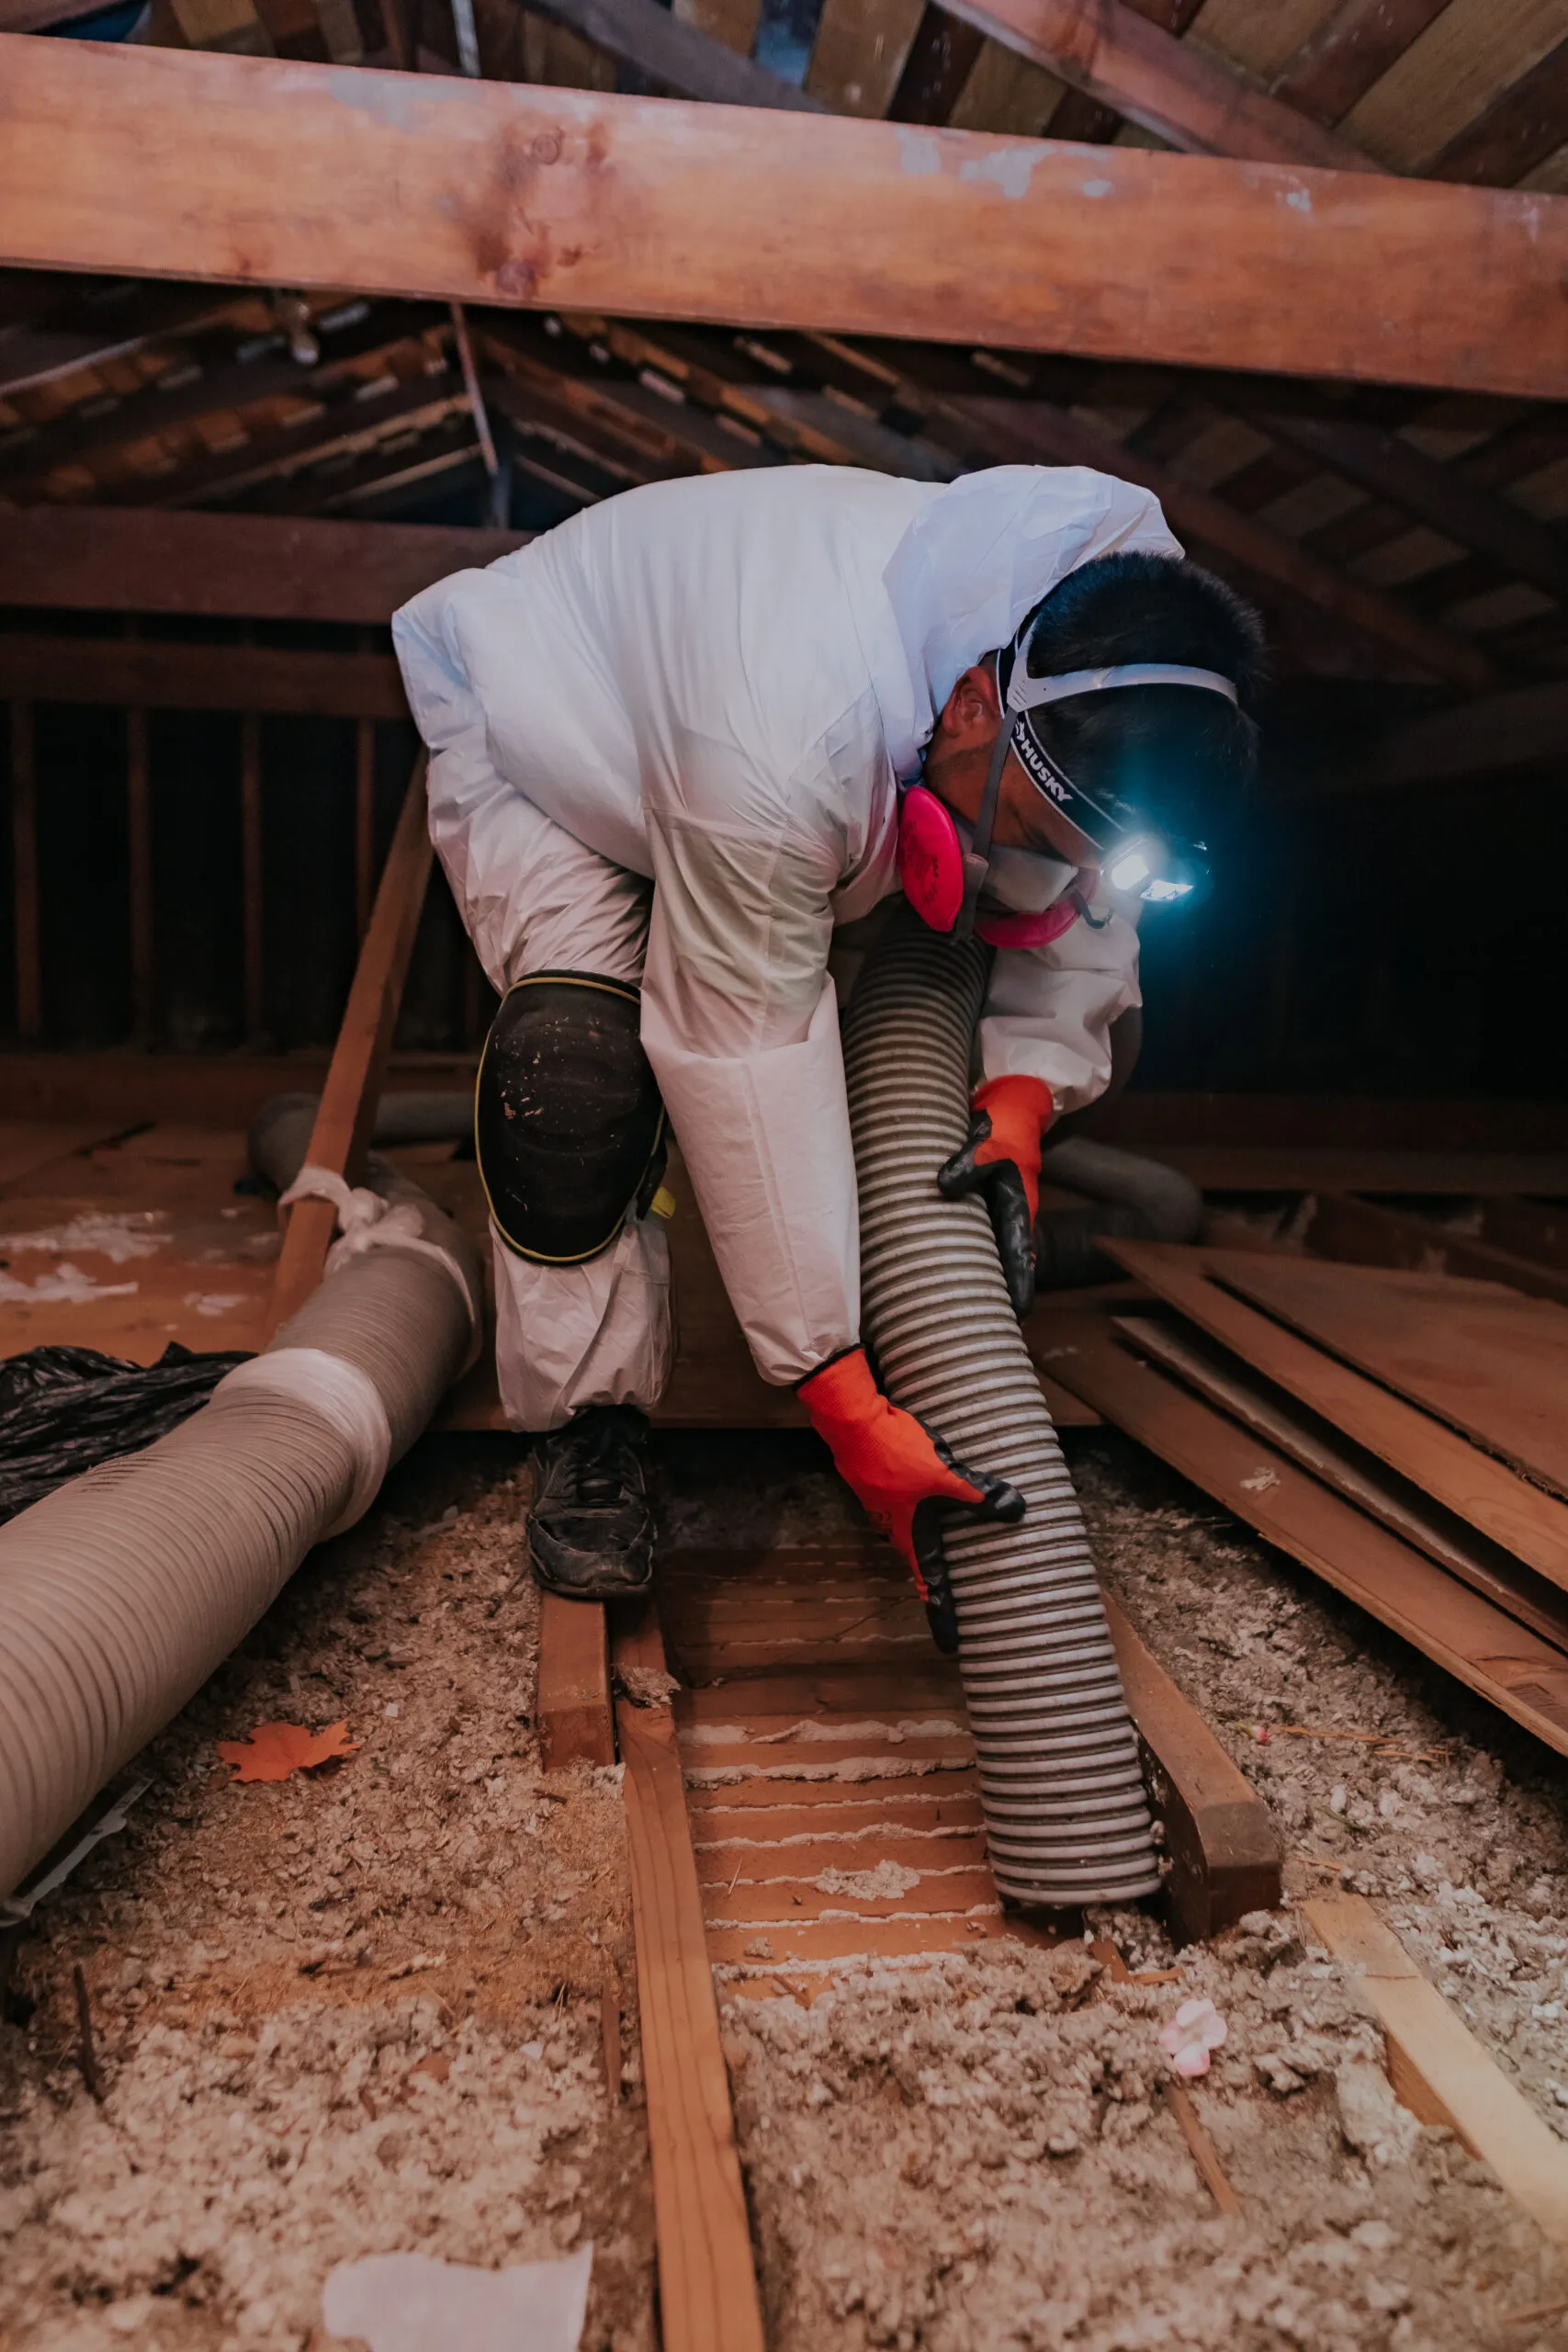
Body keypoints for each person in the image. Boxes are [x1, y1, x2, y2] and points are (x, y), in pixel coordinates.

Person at [393, 464, 1263, 1607]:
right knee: (579, 1073)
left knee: (922, 948)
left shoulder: (1117, 667)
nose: (1046, 873)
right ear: (969, 710)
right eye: (1026, 830)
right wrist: (836, 1393)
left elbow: (1094, 892)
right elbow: (744, 1051)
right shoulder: (783, 731)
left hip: (754, 760)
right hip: (558, 720)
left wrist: (1027, 1091)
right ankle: (588, 1425)